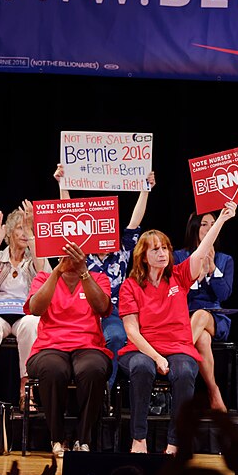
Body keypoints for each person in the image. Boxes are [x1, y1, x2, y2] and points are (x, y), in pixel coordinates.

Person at [118, 202, 237, 455]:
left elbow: (203, 249)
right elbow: (131, 332)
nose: (162, 253)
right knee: (141, 367)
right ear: (143, 257)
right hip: (142, 348)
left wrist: (222, 220)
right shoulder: (130, 286)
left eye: (165, 248)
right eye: (156, 250)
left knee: (184, 370)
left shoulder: (179, 276)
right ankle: (139, 440)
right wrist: (156, 356)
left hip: (178, 347)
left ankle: (175, 443)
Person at [54, 165, 156, 388]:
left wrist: (145, 189)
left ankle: (104, 390)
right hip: (82, 309)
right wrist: (63, 184)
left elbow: (135, 221)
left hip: (112, 310)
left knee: (117, 337)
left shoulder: (122, 248)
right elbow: (68, 213)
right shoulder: (81, 250)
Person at [24, 240, 113, 457]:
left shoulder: (98, 278)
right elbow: (35, 309)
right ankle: (57, 438)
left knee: (93, 369)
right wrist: (56, 273)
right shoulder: (44, 278)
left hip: (88, 345)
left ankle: (83, 439)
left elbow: (102, 307)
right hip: (50, 346)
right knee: (53, 369)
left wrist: (84, 272)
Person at [0, 201, 50, 412]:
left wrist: (33, 233)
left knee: (33, 324)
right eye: (20, 228)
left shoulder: (35, 257)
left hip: (24, 314)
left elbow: (46, 277)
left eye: (28, 228)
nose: (24, 233)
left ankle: (26, 392)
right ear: (9, 232)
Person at [173, 210, 236, 412]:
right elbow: (176, 294)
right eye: (204, 224)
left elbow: (224, 294)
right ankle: (213, 392)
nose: (210, 228)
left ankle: (178, 354)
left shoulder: (225, 260)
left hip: (215, 317)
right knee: (202, 340)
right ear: (194, 228)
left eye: (213, 224)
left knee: (201, 315)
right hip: (185, 315)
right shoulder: (179, 256)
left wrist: (212, 272)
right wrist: (197, 277)